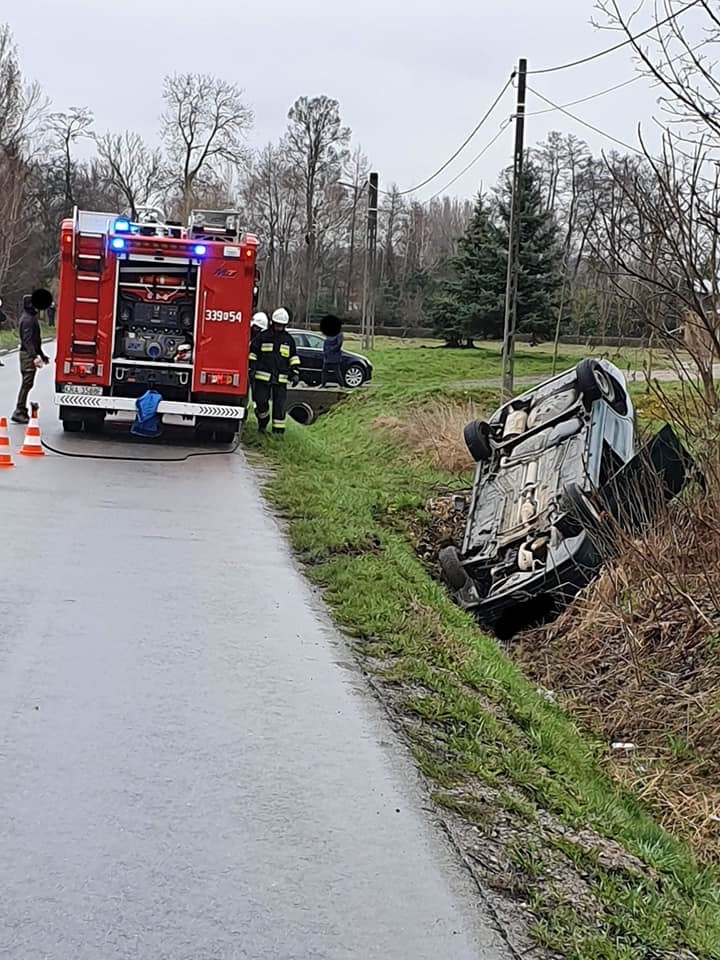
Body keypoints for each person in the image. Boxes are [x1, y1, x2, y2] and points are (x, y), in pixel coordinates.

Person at [248, 307, 300, 435]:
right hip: (262, 378)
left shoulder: (288, 340)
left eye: (282, 325)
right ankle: (263, 421)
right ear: (272, 322)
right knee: (261, 402)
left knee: (279, 407)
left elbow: (293, 357)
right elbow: (253, 353)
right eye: (277, 325)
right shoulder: (263, 337)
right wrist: (252, 368)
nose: (279, 327)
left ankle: (278, 433)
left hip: (281, 379)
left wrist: (295, 373)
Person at [11, 290, 51, 424]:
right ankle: (19, 410)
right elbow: (27, 340)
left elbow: (35, 340)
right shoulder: (28, 319)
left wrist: (42, 355)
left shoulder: (30, 317)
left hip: (29, 354)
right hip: (27, 355)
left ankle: (21, 409)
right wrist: (34, 356)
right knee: (27, 383)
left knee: (28, 383)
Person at [320, 314, 344, 387]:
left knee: (337, 371)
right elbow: (325, 342)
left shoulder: (339, 334)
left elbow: (339, 344)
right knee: (324, 371)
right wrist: (324, 351)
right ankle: (323, 384)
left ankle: (341, 384)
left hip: (334, 356)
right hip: (327, 356)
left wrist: (331, 350)